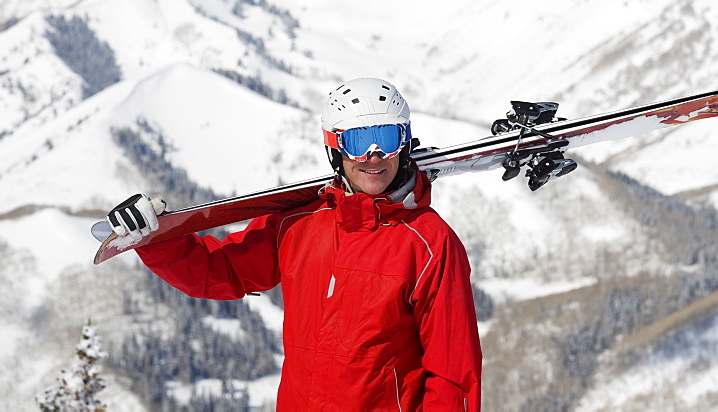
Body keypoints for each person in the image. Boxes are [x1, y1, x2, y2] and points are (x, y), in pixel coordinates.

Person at [107, 78, 483, 410]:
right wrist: (156, 239)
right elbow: (218, 271)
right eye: (356, 142)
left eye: (386, 139)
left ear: (404, 142)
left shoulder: (431, 243)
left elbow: (453, 373)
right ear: (334, 147)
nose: (374, 156)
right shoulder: (298, 223)